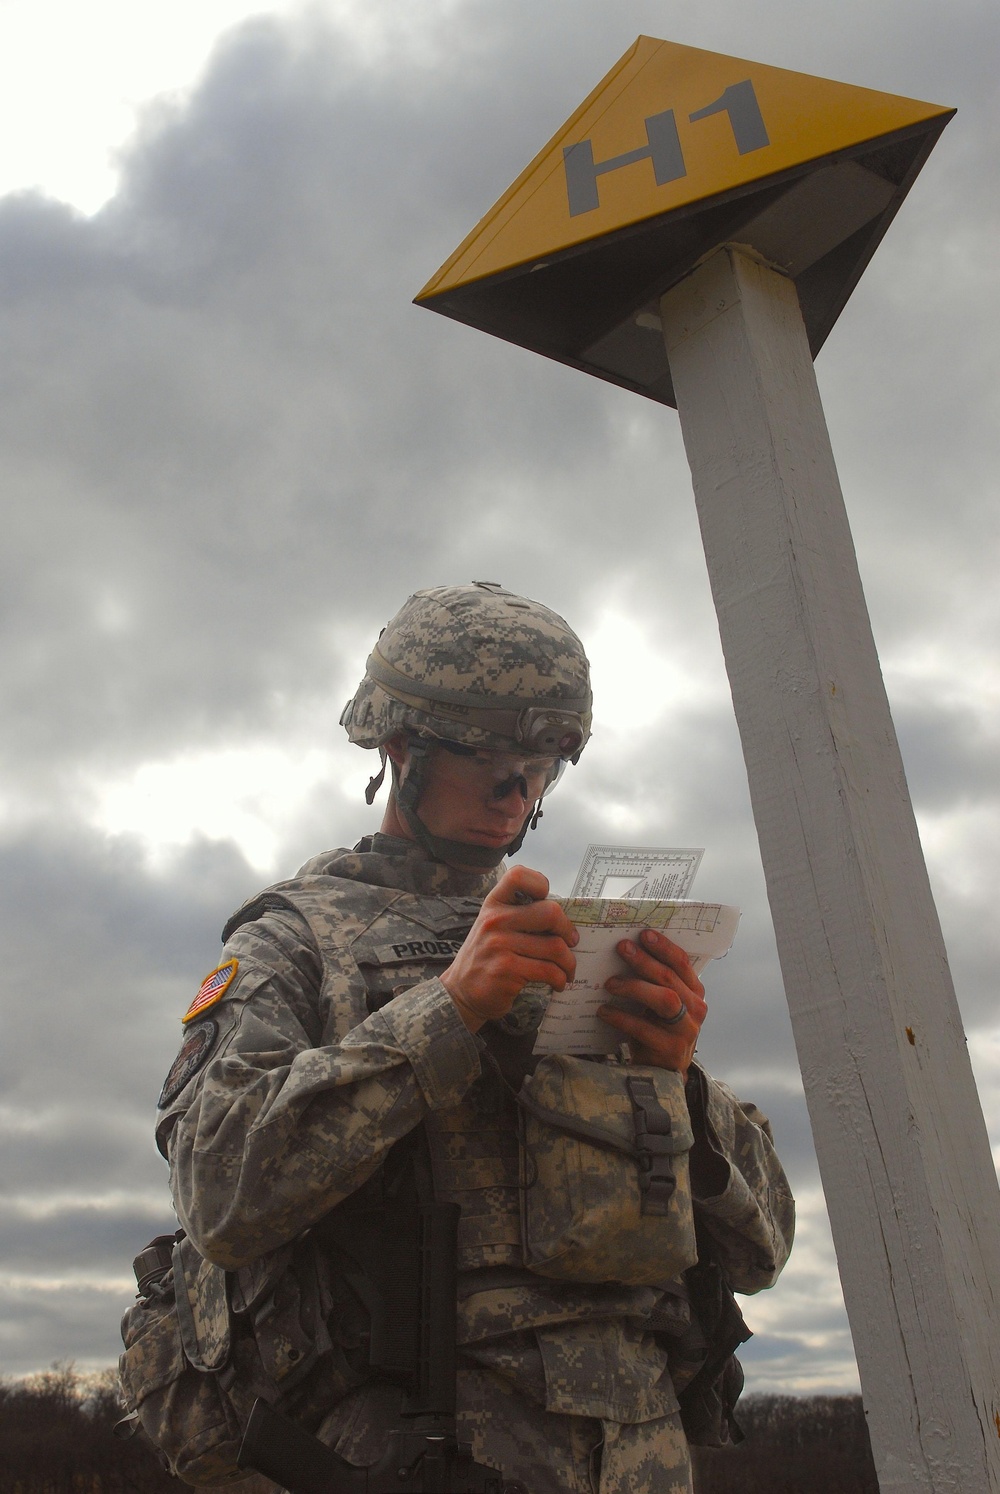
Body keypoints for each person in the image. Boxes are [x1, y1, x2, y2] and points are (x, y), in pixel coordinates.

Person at [154, 581, 794, 1494]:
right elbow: (220, 1194)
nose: (516, 790)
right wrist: (448, 1012)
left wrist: (678, 1084)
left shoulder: (576, 950)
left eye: (543, 761)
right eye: (487, 754)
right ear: (400, 744)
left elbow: (763, 1251)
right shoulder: (293, 942)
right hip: (416, 1453)